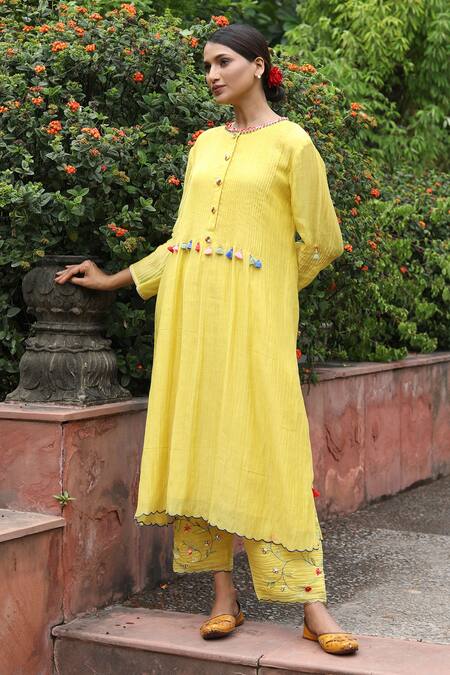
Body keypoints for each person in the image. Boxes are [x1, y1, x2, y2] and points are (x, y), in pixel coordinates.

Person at [55, 23, 358, 656]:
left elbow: (323, 240)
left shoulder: (293, 143)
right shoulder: (204, 145)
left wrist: (269, 289)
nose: (213, 75)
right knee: (203, 441)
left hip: (256, 323)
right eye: (207, 66)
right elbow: (184, 241)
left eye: (223, 62)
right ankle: (223, 596)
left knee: (271, 445)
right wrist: (114, 279)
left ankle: (311, 603)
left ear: (259, 65)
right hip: (191, 320)